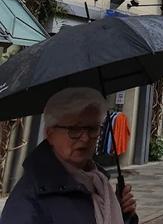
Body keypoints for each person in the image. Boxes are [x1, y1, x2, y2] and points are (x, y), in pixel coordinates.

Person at [1, 87, 137, 224]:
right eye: (74, 129)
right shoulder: (28, 201)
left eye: (92, 129)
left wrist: (123, 214)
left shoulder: (99, 185)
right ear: (50, 133)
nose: (85, 138)